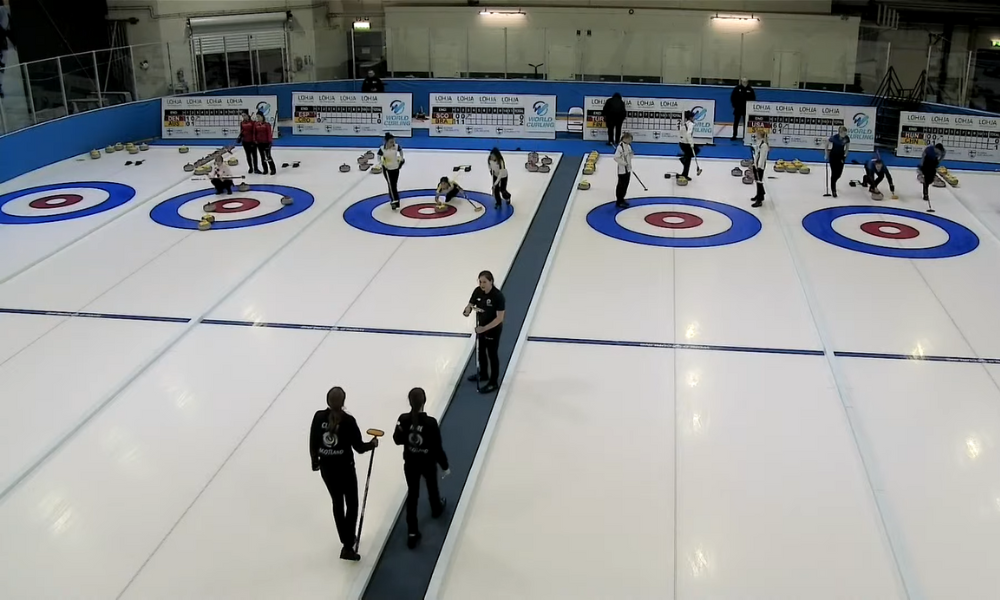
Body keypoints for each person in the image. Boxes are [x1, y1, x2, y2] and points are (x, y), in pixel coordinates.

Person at [310, 387, 379, 562]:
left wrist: (315, 461)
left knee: (337, 502)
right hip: (345, 470)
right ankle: (348, 545)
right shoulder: (348, 421)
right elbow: (359, 448)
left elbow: (313, 441)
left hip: (327, 469)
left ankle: (345, 540)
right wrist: (372, 444)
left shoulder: (319, 417)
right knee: (352, 504)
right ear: (343, 402)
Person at [393, 387, 450, 550]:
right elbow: (437, 448)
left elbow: (397, 440)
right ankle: (436, 508)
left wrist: (403, 431)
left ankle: (412, 531)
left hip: (410, 463)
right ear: (424, 402)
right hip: (427, 462)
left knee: (413, 494)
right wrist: (445, 465)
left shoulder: (403, 419)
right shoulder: (430, 423)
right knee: (432, 485)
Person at [464, 270, 506, 394]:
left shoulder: (498, 296)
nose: (482, 284)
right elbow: (471, 303)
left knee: (492, 354)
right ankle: (483, 373)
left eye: (484, 282)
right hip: (481, 327)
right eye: (480, 281)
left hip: (493, 329)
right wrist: (467, 309)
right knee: (480, 350)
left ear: (491, 282)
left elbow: (499, 318)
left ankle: (493, 382)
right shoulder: (478, 291)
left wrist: (484, 328)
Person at [378, 133, 404, 210]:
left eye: (393, 141)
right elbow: (379, 156)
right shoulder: (382, 149)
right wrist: (382, 163)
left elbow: (401, 150)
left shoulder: (396, 146)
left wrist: (401, 158)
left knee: (394, 184)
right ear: (386, 142)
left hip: (396, 168)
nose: (393, 143)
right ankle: (395, 201)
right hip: (387, 170)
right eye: (391, 142)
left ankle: (393, 199)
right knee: (391, 185)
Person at [825, 126, 850, 197]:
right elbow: (826, 145)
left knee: (839, 174)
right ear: (840, 132)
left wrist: (845, 154)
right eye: (844, 133)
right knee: (834, 173)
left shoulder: (846, 138)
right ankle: (834, 190)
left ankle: (834, 182)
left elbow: (847, 147)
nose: (845, 134)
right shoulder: (834, 138)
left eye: (845, 133)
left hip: (841, 157)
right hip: (833, 156)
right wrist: (826, 154)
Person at [613, 132, 634, 209]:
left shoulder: (628, 146)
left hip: (628, 169)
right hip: (622, 170)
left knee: (626, 185)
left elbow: (630, 156)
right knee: (621, 185)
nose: (631, 141)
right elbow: (616, 157)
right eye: (630, 139)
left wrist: (631, 154)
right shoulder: (620, 147)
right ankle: (619, 201)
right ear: (626, 138)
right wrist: (624, 163)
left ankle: (622, 199)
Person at [236, 111, 261, 175]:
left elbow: (255, 132)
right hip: (245, 142)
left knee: (254, 155)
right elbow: (241, 132)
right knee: (248, 155)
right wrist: (240, 138)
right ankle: (250, 168)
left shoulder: (253, 123)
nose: (243, 117)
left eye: (244, 115)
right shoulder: (242, 123)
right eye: (242, 116)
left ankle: (256, 168)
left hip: (252, 141)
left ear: (248, 115)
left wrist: (254, 141)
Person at [252, 111, 276, 175]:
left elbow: (269, 134)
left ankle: (273, 169)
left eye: (259, 117)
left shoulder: (267, 124)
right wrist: (255, 140)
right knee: (262, 157)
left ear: (262, 117)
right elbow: (254, 133)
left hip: (266, 143)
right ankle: (265, 169)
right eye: (257, 117)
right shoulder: (256, 124)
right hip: (259, 143)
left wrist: (270, 142)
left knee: (268, 156)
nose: (258, 118)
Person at [750, 129, 769, 208]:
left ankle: (759, 200)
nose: (756, 135)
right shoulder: (759, 143)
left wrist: (759, 167)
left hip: (760, 166)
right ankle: (760, 195)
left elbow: (762, 157)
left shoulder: (764, 145)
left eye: (757, 134)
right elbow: (757, 153)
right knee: (757, 181)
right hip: (756, 164)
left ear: (760, 135)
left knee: (759, 181)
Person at [678, 110, 696, 183]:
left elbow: (681, 132)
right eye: (693, 117)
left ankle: (684, 173)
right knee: (688, 159)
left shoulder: (684, 123)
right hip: (686, 144)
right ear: (691, 117)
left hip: (681, 143)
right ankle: (683, 160)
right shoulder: (691, 124)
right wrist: (691, 143)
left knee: (688, 158)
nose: (694, 118)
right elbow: (689, 134)